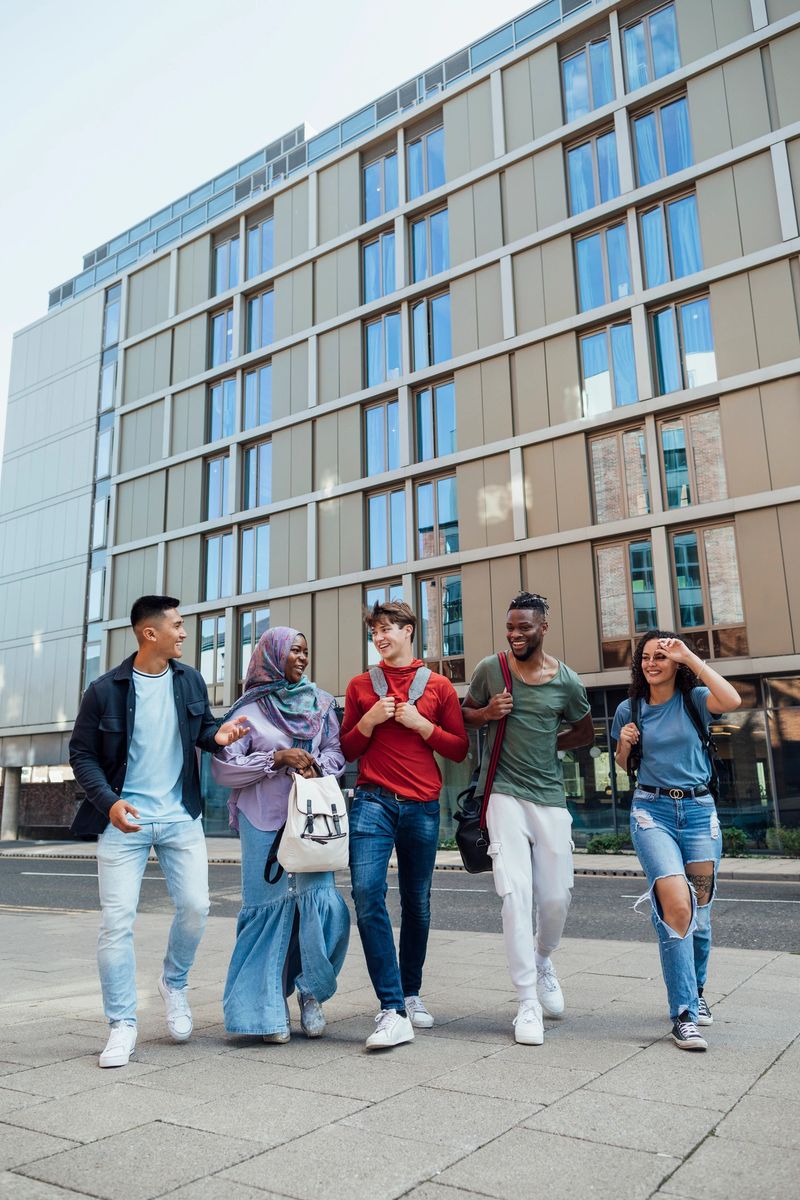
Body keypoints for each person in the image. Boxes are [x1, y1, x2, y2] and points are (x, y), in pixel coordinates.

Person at [69, 595, 249, 1068]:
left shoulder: (189, 679)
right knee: (116, 922)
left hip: (179, 816)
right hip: (124, 820)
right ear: (150, 633)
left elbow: (203, 730)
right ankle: (122, 1023)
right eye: (178, 625)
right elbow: (81, 754)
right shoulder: (105, 689)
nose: (184, 633)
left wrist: (220, 737)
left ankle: (174, 982)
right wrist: (108, 803)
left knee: (195, 906)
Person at [463, 592, 594, 1046]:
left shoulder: (568, 681)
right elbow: (461, 716)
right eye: (511, 627)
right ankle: (526, 1002)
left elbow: (584, 730)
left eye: (525, 627)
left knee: (556, 896)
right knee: (516, 894)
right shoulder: (490, 669)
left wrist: (547, 744)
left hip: (550, 796)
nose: (516, 634)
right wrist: (486, 712)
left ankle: (543, 960)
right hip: (503, 793)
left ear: (544, 627)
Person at [340, 600, 469, 1050]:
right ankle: (391, 1008)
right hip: (372, 802)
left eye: (387, 628)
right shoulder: (360, 686)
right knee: (366, 894)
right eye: (374, 629)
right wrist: (371, 721)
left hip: (422, 807)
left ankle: (410, 993)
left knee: (416, 903)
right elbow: (347, 750)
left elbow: (458, 749)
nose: (379, 636)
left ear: (410, 630)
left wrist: (421, 726)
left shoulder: (438, 686)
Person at [211, 627, 349, 1042]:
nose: (302, 658)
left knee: (321, 903)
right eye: (294, 651)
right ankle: (264, 1013)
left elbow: (337, 752)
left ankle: (310, 994)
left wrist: (317, 765)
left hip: (312, 821)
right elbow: (224, 767)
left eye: (306, 651)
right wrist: (275, 758)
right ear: (272, 656)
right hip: (263, 819)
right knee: (266, 908)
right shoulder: (246, 709)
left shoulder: (322, 703)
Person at [611, 631, 741, 1051]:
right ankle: (683, 1014)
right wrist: (623, 744)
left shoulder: (696, 700)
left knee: (699, 916)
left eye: (662, 657)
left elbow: (733, 701)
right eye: (646, 657)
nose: (652, 663)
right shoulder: (629, 709)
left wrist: (689, 655)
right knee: (677, 905)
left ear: (676, 664)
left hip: (700, 813)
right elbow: (621, 763)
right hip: (652, 812)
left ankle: (697, 992)